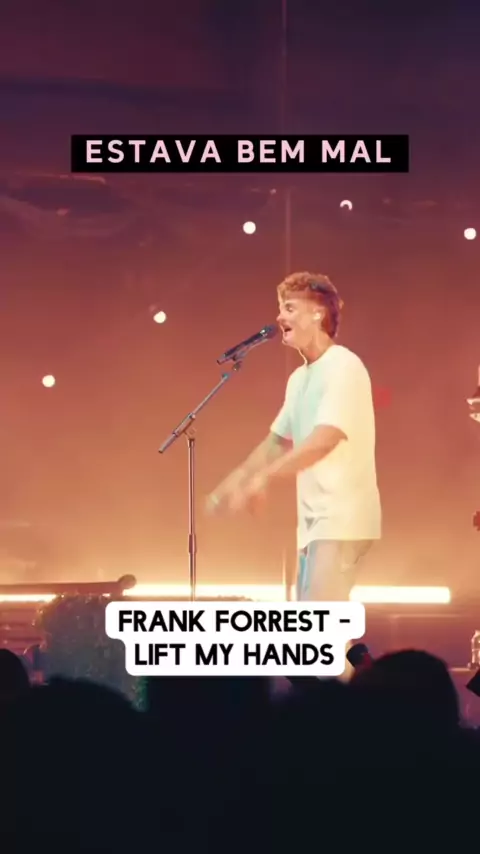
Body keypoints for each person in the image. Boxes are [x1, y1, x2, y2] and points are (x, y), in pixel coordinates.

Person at [207, 271, 381, 602]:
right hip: (315, 526)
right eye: (280, 308)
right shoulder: (299, 378)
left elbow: (324, 440)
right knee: (316, 626)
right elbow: (276, 441)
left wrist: (265, 477)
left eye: (289, 308)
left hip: (342, 521)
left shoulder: (344, 366)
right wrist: (238, 478)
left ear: (317, 313)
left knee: (320, 624)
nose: (279, 317)